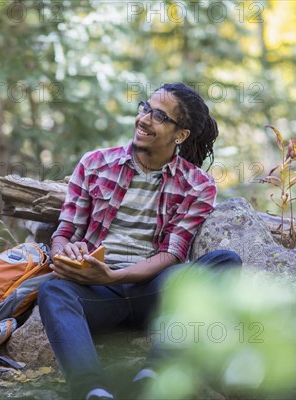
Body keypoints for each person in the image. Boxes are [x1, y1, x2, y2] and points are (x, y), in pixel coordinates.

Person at [37, 82, 242, 400]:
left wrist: (115, 275)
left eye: (159, 116)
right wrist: (69, 252)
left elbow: (172, 253)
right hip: (97, 293)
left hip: (155, 292)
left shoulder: (197, 185)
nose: (144, 119)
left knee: (225, 262)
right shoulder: (94, 164)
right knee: (52, 290)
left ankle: (153, 377)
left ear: (180, 135)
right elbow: (64, 234)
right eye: (145, 108)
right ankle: (92, 391)